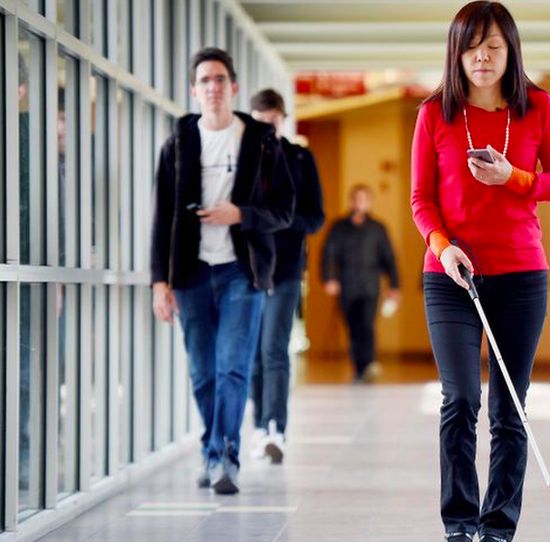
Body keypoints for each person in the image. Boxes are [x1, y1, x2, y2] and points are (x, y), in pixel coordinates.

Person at [410, 2, 550, 542]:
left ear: (510, 51)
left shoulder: (539, 108)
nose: (482, 56)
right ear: (456, 51)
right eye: (471, 45)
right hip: (451, 274)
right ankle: (458, 523)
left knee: (509, 407)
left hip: (522, 275)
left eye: (494, 45)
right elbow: (420, 199)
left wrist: (515, 177)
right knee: (460, 399)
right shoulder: (433, 114)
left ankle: (497, 528)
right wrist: (442, 245)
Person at [150, 47, 294, 495]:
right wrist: (160, 282)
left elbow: (285, 210)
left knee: (233, 366)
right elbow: (162, 217)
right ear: (195, 91)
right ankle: (212, 446)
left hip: (241, 271)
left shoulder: (261, 141)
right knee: (203, 372)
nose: (212, 88)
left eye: (220, 80)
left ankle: (223, 456)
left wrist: (242, 215)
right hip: (191, 274)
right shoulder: (178, 143)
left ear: (234, 87)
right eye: (204, 81)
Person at [248, 88, 325, 463]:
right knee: (252, 354)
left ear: (282, 120)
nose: (267, 127)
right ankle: (259, 426)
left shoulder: (300, 158)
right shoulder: (241, 159)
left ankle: (276, 426)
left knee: (274, 347)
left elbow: (316, 216)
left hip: (286, 267)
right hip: (246, 268)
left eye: (273, 121)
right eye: (260, 121)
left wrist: (279, 220)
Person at [320, 185, 400, 383]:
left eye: (364, 199)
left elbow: (389, 259)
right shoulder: (338, 227)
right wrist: (329, 278)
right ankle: (359, 367)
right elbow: (328, 254)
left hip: (370, 286)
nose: (359, 203)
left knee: (367, 324)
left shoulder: (378, 228)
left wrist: (394, 286)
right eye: (356, 199)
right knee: (353, 327)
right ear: (351, 201)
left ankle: (369, 363)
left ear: (369, 202)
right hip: (347, 286)